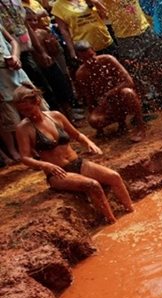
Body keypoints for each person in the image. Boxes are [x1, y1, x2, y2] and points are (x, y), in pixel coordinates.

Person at [13, 83, 133, 223]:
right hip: (57, 173)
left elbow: (77, 135)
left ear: (37, 102)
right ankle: (113, 222)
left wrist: (89, 143)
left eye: (29, 109)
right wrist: (46, 166)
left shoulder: (55, 116)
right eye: (22, 111)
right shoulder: (23, 128)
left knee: (114, 176)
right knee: (92, 185)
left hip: (78, 162)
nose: (27, 114)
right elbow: (25, 158)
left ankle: (132, 212)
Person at [73, 41, 145, 141]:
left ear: (94, 51)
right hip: (106, 103)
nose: (90, 61)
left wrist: (112, 92)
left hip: (121, 96)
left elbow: (129, 82)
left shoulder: (108, 60)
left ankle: (140, 126)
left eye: (91, 56)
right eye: (85, 59)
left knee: (128, 93)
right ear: (79, 59)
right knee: (94, 121)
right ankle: (121, 123)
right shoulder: (81, 74)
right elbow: (89, 99)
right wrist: (99, 129)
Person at [51, 0, 115, 66]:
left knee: (116, 69)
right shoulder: (57, 6)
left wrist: (96, 3)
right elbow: (64, 31)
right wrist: (72, 51)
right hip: (85, 49)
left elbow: (105, 16)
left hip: (105, 40)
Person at [0, 24, 30, 163]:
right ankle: (15, 150)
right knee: (9, 117)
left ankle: (34, 143)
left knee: (29, 104)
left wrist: (16, 56)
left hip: (14, 71)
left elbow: (13, 41)